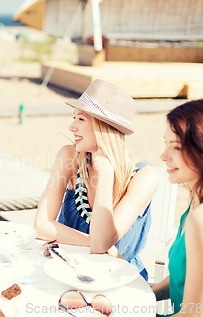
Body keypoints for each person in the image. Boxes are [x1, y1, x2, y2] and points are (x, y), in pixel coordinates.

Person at [34, 79, 159, 280]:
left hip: (118, 279)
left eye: (81, 120)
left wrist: (106, 174)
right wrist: (93, 242)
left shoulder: (144, 177)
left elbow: (102, 244)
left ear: (104, 127)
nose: (71, 127)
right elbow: (41, 225)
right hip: (66, 270)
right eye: (74, 118)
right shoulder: (70, 157)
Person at [152, 97, 203, 316]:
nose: (163, 156)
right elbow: (187, 276)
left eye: (177, 147)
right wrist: (142, 294)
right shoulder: (199, 201)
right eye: (166, 144)